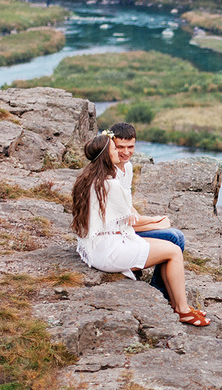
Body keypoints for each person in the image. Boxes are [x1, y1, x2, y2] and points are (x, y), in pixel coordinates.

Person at [71, 131, 210, 327]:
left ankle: (177, 305)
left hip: (99, 245)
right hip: (110, 250)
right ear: (106, 155)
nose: (119, 153)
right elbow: (130, 222)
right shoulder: (109, 185)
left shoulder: (88, 178)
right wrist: (157, 222)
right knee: (174, 251)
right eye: (114, 149)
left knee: (169, 245)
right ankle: (183, 310)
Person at [106, 122, 185, 301]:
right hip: (116, 233)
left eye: (130, 147)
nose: (126, 152)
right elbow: (122, 219)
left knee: (176, 236)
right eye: (120, 147)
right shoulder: (109, 175)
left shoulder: (127, 167)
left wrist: (149, 220)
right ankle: (160, 290)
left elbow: (128, 205)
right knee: (174, 237)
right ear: (111, 146)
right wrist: (155, 221)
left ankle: (161, 286)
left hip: (125, 225)